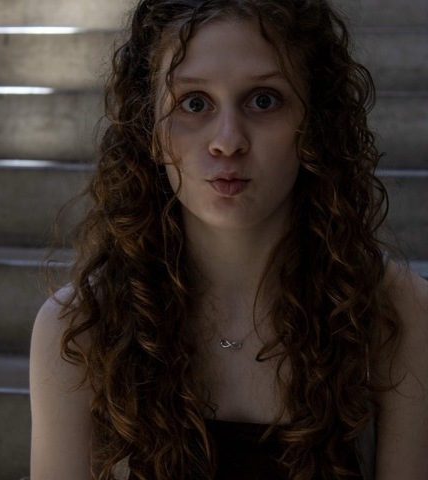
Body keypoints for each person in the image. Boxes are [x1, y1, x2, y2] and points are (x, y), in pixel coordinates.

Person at [29, 0, 428, 479]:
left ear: (315, 121)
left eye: (264, 100)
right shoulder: (82, 328)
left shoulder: (398, 313)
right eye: (194, 103)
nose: (227, 140)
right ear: (149, 127)